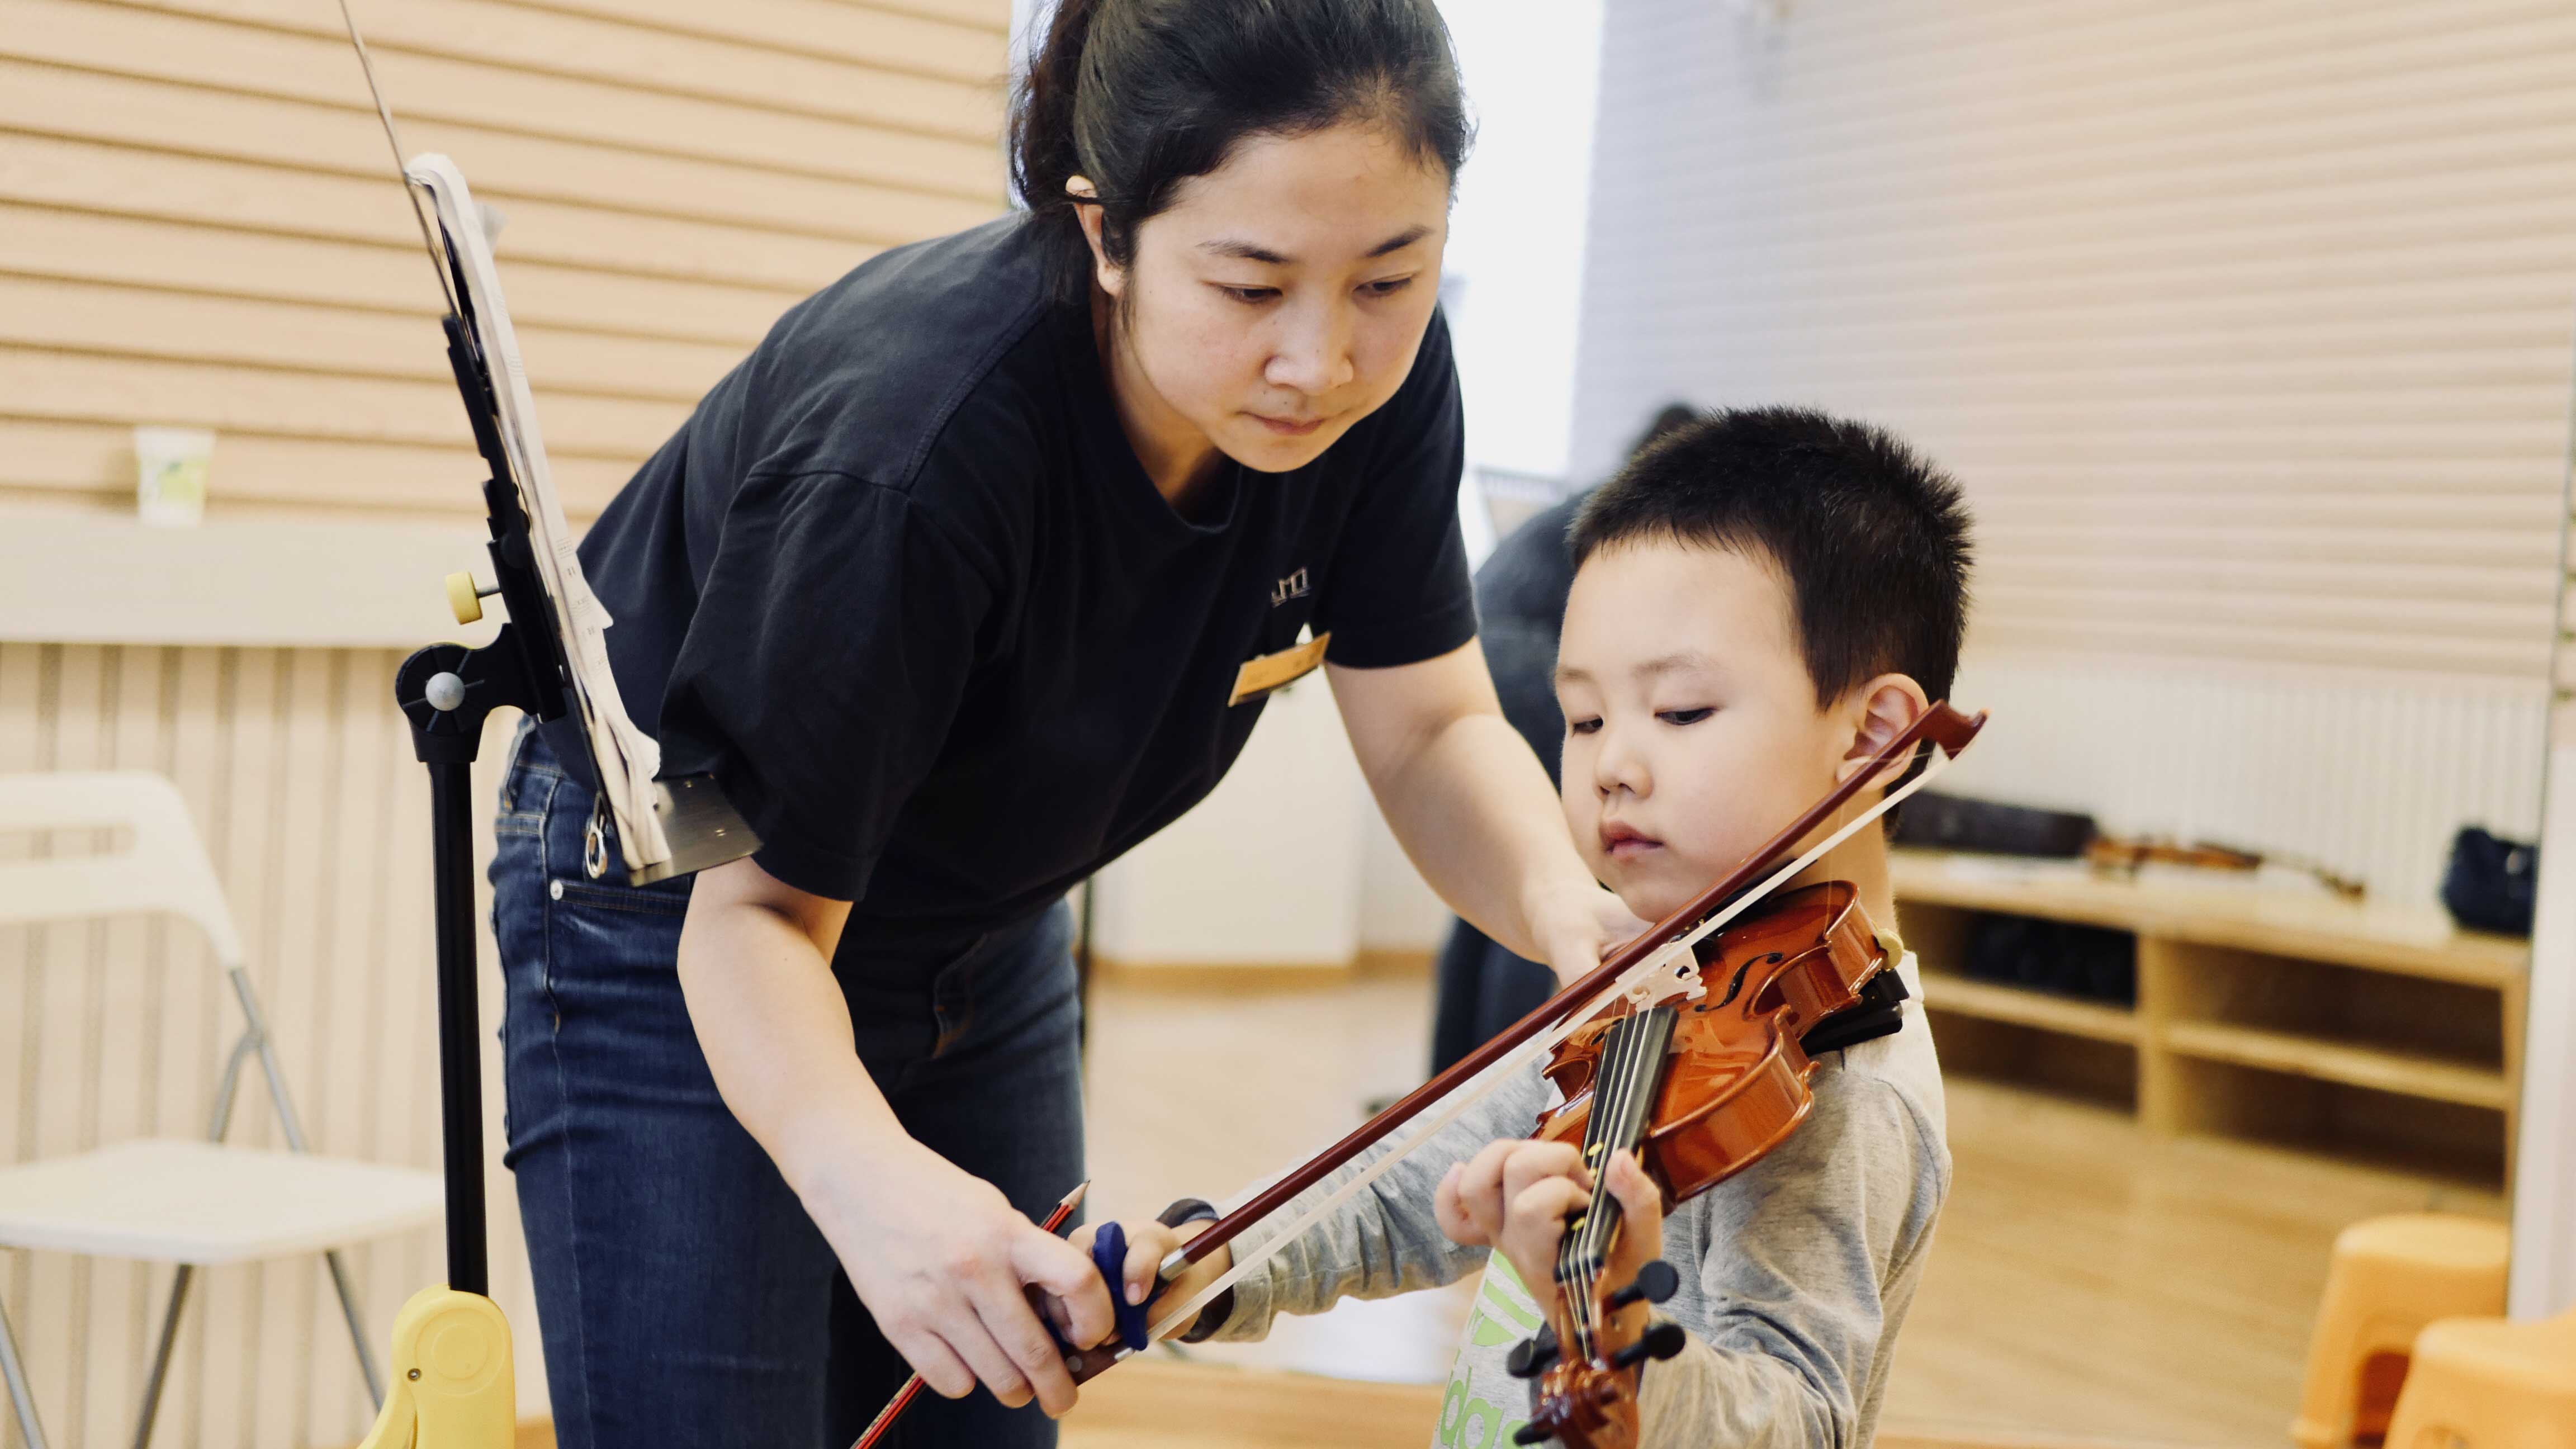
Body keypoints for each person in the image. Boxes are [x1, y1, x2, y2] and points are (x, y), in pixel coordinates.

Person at [484, 3, 1649, 1446]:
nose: (1322, 359)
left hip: (981, 910)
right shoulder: (910, 452)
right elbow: (755, 916)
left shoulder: (1372, 396)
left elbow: (1425, 728)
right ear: (1105, 236)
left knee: (995, 1406)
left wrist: (1561, 904)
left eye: (1389, 280)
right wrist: (873, 1184)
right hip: (683, 912)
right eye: (1248, 285)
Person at [1100, 407, 1974, 1449]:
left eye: (1681, 712)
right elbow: (1411, 1188)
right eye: (1585, 718)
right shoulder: (1669, 980)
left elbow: (1799, 1417)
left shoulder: (1842, 1084)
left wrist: (1616, 1339)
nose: (1610, 763)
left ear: (1871, 736)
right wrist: (1222, 1260)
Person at [1431, 401, 1702, 1073]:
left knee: (1502, 883)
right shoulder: (1646, 523)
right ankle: (1509, 1075)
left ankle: (1449, 1076)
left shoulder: (1591, 507)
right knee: (1566, 890)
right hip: (1521, 674)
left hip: (1465, 662)